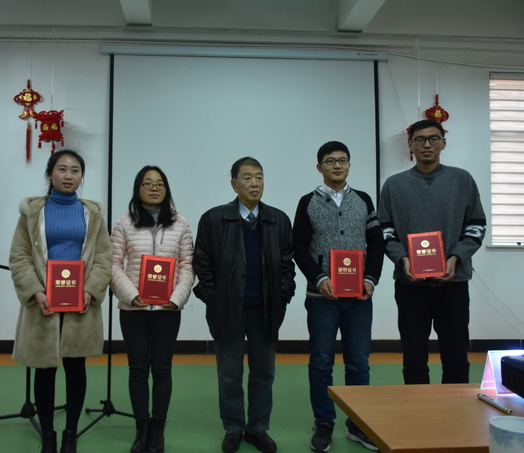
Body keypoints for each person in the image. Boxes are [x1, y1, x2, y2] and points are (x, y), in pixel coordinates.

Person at [9, 149, 113, 453]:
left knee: (76, 367)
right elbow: (19, 256)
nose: (69, 176)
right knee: (44, 368)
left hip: (80, 302)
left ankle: (70, 435)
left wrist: (90, 290)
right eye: (62, 169)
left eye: (75, 170)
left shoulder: (93, 214)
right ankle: (48, 436)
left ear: (81, 176)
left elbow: (104, 258)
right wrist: (35, 291)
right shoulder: (32, 213)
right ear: (50, 174)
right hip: (44, 301)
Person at [192, 157, 296, 453]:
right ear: (234, 184)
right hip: (228, 311)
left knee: (264, 372)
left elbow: (287, 264)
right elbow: (202, 262)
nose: (254, 183)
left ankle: (258, 428)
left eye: (259, 177)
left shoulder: (278, 219)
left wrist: (283, 293)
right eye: (247, 178)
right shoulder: (214, 219)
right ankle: (234, 427)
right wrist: (213, 297)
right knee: (229, 373)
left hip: (266, 310)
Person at [378, 119, 486, 385]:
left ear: (443, 143)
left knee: (456, 355)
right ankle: (417, 408)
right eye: (420, 139)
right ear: (411, 145)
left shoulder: (462, 180)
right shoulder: (394, 185)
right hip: (410, 285)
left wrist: (456, 257)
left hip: (453, 282)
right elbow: (384, 230)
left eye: (433, 138)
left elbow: (476, 225)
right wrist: (402, 258)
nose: (427, 144)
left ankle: (455, 407)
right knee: (414, 357)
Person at [292, 141, 384, 452]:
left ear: (349, 165)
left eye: (342, 160)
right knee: (321, 362)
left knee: (358, 363)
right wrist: (318, 278)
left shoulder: (364, 200)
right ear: (319, 167)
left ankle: (358, 423)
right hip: (322, 299)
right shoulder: (308, 202)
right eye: (330, 161)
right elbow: (298, 246)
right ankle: (324, 422)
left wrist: (371, 278)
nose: (337, 165)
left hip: (359, 299)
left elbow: (376, 242)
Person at [110, 165, 195, 453]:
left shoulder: (181, 224)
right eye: (148, 183)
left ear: (166, 189)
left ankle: (157, 429)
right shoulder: (124, 223)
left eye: (159, 183)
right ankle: (141, 428)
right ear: (138, 189)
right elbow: (113, 264)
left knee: (161, 368)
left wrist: (177, 297)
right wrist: (131, 295)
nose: (154, 188)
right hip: (133, 309)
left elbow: (187, 266)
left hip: (167, 310)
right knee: (137, 368)